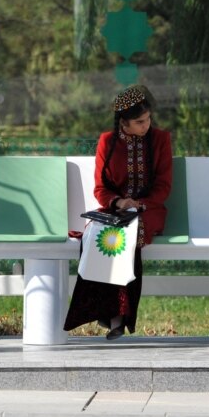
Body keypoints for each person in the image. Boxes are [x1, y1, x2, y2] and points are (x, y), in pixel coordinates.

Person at [64, 86, 173, 340]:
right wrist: (120, 202)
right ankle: (109, 313)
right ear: (123, 122)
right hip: (116, 210)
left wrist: (138, 204)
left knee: (129, 235)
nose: (146, 125)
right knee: (95, 234)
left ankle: (119, 316)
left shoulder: (160, 139)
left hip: (149, 210)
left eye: (148, 119)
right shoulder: (107, 142)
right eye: (139, 122)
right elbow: (100, 188)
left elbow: (163, 186)